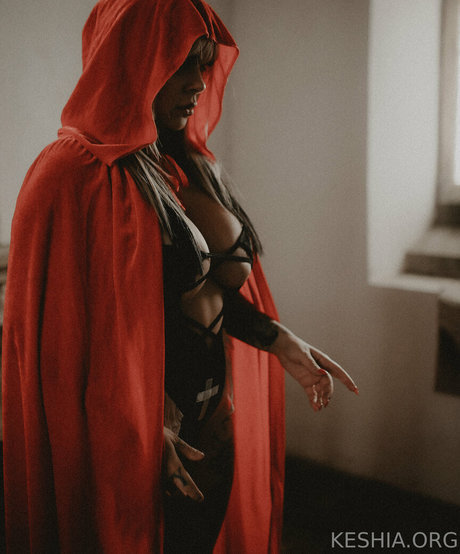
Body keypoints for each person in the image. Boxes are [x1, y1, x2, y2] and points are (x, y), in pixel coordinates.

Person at [2, 0, 358, 552]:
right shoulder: (68, 173)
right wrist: (136, 428)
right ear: (130, 60)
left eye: (205, 63)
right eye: (182, 62)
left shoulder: (190, 164)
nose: (199, 81)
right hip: (138, 445)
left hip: (213, 421)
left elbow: (204, 294)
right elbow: (60, 347)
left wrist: (279, 339)